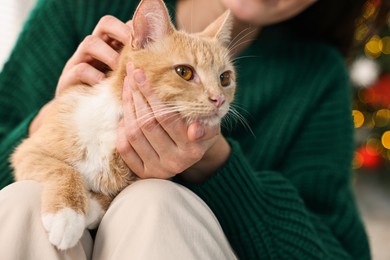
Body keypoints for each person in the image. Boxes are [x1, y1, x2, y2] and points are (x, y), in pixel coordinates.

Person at [0, 0, 387, 259]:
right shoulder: (84, 6)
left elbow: (340, 252)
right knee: (27, 202)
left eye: (224, 78)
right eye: (185, 72)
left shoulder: (315, 75)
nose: (215, 94)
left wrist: (218, 167)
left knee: (155, 202)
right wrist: (50, 120)